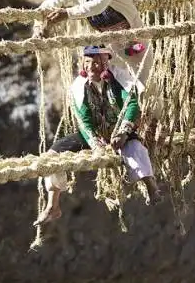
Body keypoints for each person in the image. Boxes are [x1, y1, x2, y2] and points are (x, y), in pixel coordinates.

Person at [33, 45, 161, 226]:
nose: (93, 67)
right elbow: (84, 120)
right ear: (83, 65)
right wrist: (95, 144)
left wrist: (124, 132)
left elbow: (132, 105)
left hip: (119, 130)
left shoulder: (120, 78)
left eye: (97, 63)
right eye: (88, 63)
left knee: (135, 148)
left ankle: (151, 186)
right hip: (93, 135)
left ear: (106, 63)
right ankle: (53, 205)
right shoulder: (79, 88)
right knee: (51, 156)